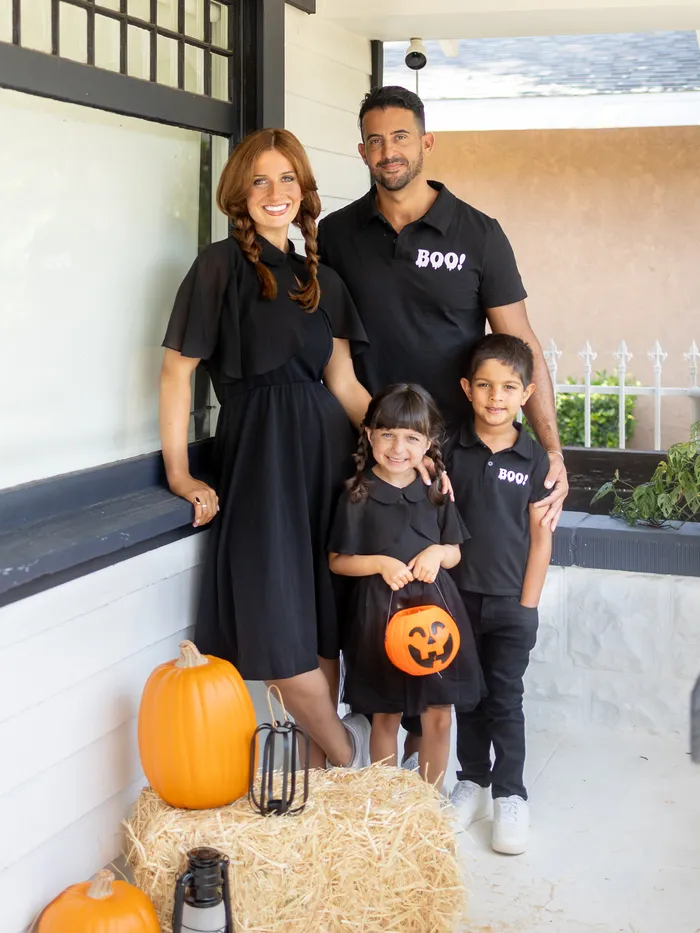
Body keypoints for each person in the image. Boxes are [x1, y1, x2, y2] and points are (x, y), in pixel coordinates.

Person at [317, 84, 568, 765]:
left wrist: (551, 445)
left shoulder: (477, 233)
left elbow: (523, 344)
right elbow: (335, 355)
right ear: (361, 148)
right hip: (375, 454)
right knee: (372, 602)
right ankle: (377, 770)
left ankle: (473, 769)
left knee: (456, 602)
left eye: (400, 137)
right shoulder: (337, 234)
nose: (387, 150)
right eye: (374, 139)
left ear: (426, 142)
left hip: (457, 456)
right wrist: (392, 444)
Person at [159, 128, 374, 770]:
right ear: (238, 193)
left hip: (328, 462)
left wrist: (412, 451)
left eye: (287, 180)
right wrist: (178, 474)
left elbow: (344, 385)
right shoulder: (218, 268)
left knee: (321, 616)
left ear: (304, 192)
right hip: (258, 463)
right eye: (260, 180)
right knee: (274, 623)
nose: (274, 193)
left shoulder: (323, 279)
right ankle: (346, 755)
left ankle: (317, 781)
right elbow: (177, 373)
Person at [328, 384, 484, 791]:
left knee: (438, 711)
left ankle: (428, 804)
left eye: (412, 438)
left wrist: (437, 553)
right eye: (388, 435)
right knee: (386, 712)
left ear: (428, 443)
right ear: (369, 435)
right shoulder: (356, 494)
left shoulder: (435, 491)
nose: (399, 447)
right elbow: (338, 561)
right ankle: (389, 805)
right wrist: (379, 563)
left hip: (436, 615)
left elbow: (455, 552)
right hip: (379, 615)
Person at [448, 334, 553, 854]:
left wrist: (528, 606)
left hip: (512, 602)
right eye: (485, 385)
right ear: (467, 389)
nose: (496, 397)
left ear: (526, 393)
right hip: (458, 600)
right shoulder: (447, 451)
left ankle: (511, 794)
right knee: (468, 696)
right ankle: (472, 780)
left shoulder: (535, 461)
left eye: (509, 387)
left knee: (505, 699)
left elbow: (541, 537)